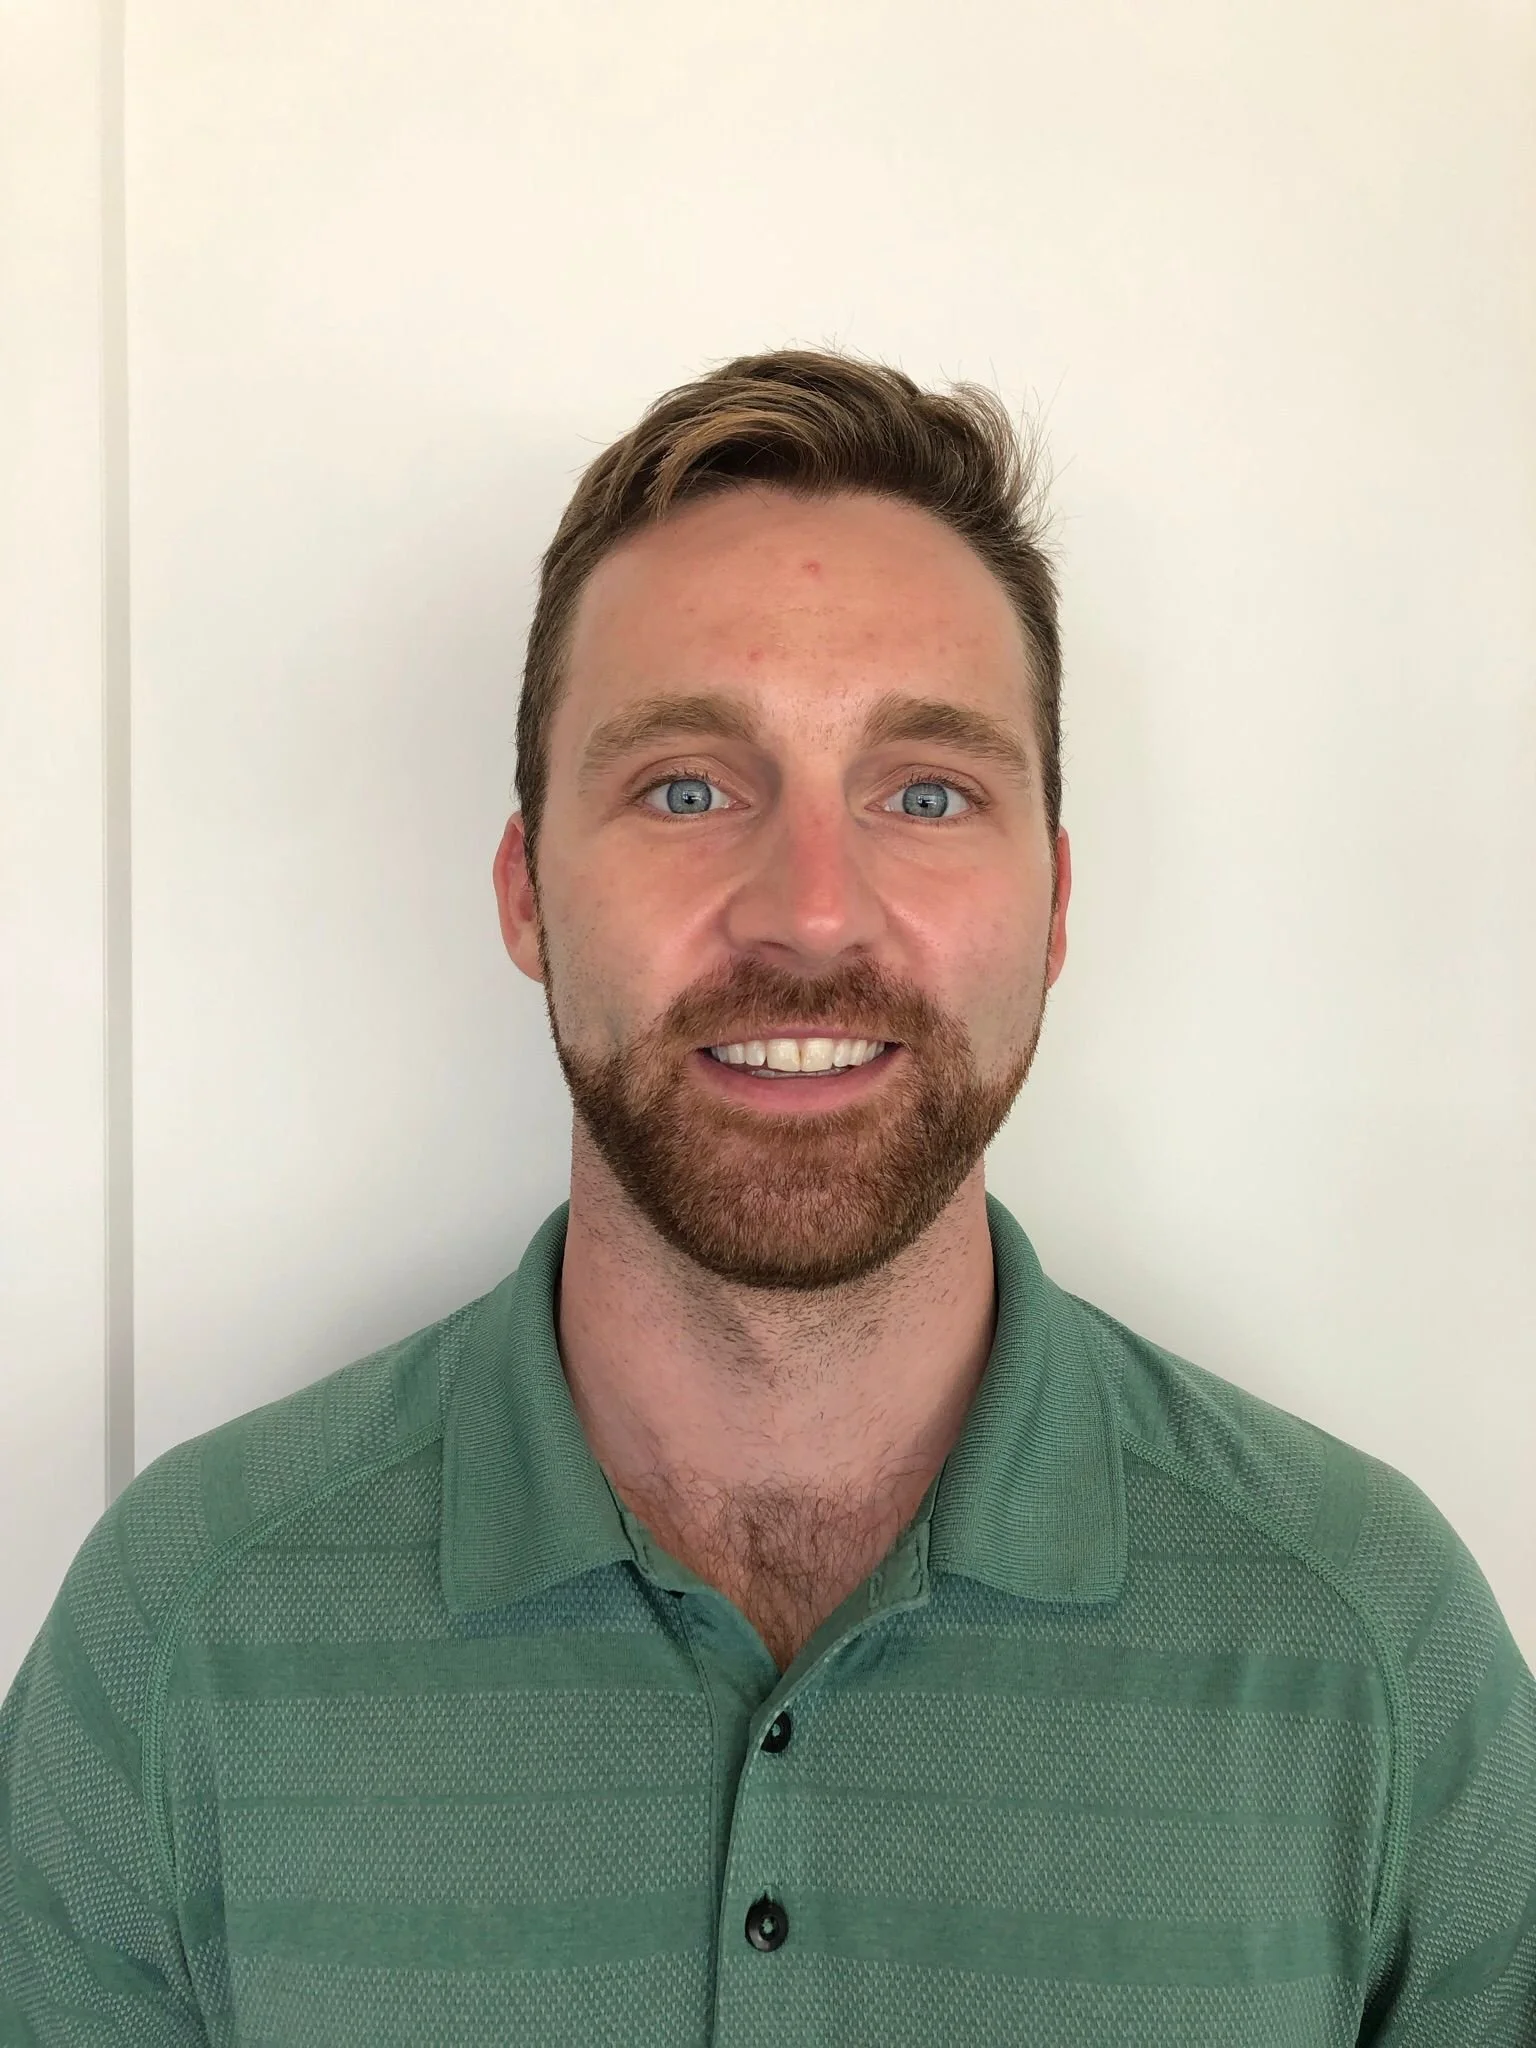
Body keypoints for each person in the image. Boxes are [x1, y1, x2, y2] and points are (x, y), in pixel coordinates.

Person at [2, 351, 1531, 2047]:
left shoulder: (1379, 1654)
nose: (811, 914)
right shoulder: (177, 1646)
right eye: (686, 788)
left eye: (927, 793)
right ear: (525, 890)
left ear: (1057, 902)